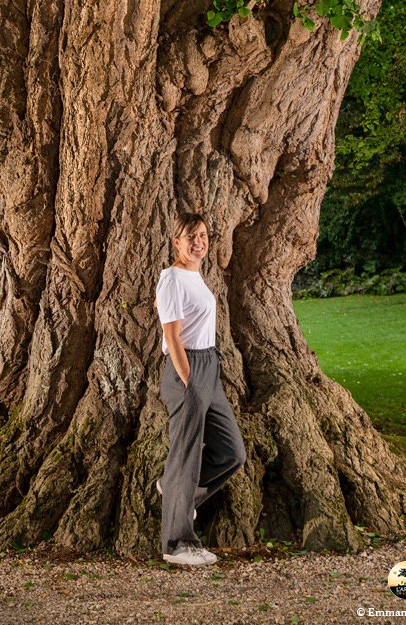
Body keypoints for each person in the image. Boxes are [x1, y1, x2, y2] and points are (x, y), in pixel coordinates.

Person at [155, 211, 247, 567]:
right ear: (176, 242)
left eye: (203, 235)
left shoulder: (194, 276)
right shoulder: (172, 278)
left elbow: (167, 311)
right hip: (188, 371)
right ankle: (177, 544)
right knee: (187, 455)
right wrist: (190, 380)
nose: (198, 242)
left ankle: (177, 490)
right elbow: (171, 335)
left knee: (232, 453)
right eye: (190, 236)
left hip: (210, 366)